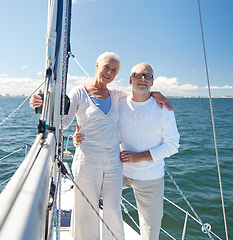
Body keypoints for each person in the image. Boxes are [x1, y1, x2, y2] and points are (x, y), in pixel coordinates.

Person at [30, 53, 172, 240]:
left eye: (114, 70)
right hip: (87, 159)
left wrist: (156, 93)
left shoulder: (115, 95)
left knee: (113, 209)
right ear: (97, 65)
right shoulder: (79, 92)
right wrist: (41, 105)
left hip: (114, 160)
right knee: (86, 209)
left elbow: (139, 93)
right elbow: (63, 122)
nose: (109, 72)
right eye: (106, 67)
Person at [74, 62, 180, 240]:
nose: (143, 79)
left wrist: (140, 157)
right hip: (117, 171)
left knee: (150, 227)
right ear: (130, 79)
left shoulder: (163, 109)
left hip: (150, 177)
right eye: (138, 75)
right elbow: (96, 116)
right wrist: (78, 133)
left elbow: (173, 145)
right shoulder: (119, 101)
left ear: (153, 82)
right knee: (89, 197)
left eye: (148, 76)